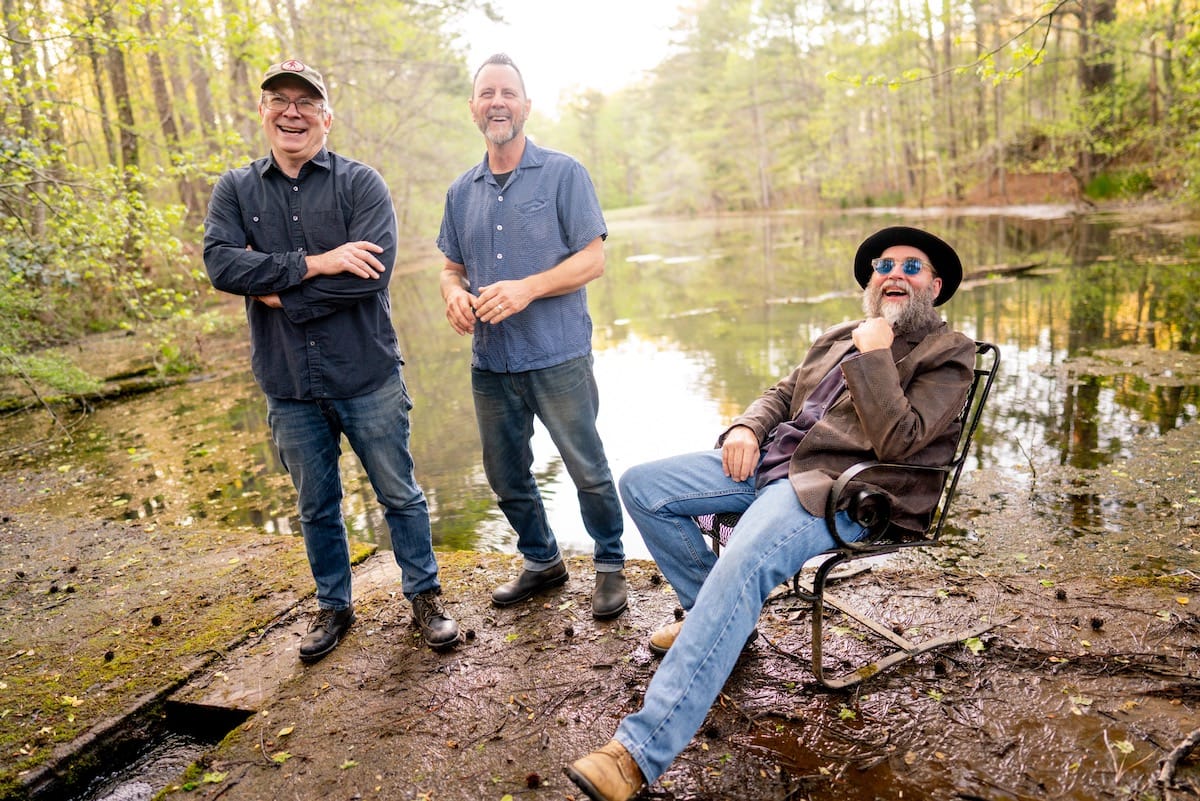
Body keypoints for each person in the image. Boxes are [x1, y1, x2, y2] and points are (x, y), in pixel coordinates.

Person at [564, 226, 975, 800]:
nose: (895, 275)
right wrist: (746, 427)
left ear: (935, 284)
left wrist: (877, 355)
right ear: (870, 282)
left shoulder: (948, 353)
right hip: (778, 463)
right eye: (884, 265)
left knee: (745, 558)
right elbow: (783, 395)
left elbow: (900, 441)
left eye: (912, 267)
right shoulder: (839, 335)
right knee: (643, 486)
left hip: (843, 490)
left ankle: (637, 752)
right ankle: (714, 614)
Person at [203, 59, 460, 663]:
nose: (292, 112)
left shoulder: (361, 185)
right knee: (315, 505)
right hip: (288, 383)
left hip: (365, 373)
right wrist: (317, 262)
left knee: (400, 495)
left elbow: (369, 279)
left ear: (326, 115)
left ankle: (425, 598)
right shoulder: (235, 190)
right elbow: (220, 265)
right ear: (263, 112)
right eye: (279, 100)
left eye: (305, 101)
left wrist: (272, 291)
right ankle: (334, 607)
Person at [436, 53, 627, 620]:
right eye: (487, 93)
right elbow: (451, 266)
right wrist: (452, 293)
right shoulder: (460, 191)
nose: (498, 102)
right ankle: (542, 560)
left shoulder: (564, 173)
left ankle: (611, 564)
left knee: (586, 467)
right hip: (491, 363)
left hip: (558, 355)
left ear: (525, 105)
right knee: (504, 473)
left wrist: (528, 289)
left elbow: (592, 261)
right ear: (473, 108)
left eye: (508, 93)